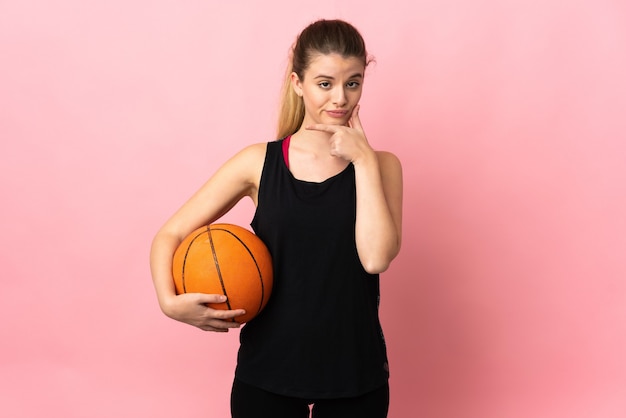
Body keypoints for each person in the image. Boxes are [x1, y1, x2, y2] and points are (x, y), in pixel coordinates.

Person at [150, 19, 403, 418]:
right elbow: (171, 233)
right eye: (325, 83)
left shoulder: (382, 166)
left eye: (352, 83)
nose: (340, 98)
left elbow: (375, 258)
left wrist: (363, 160)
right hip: (267, 372)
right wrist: (169, 302)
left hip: (356, 372)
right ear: (298, 83)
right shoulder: (258, 162)